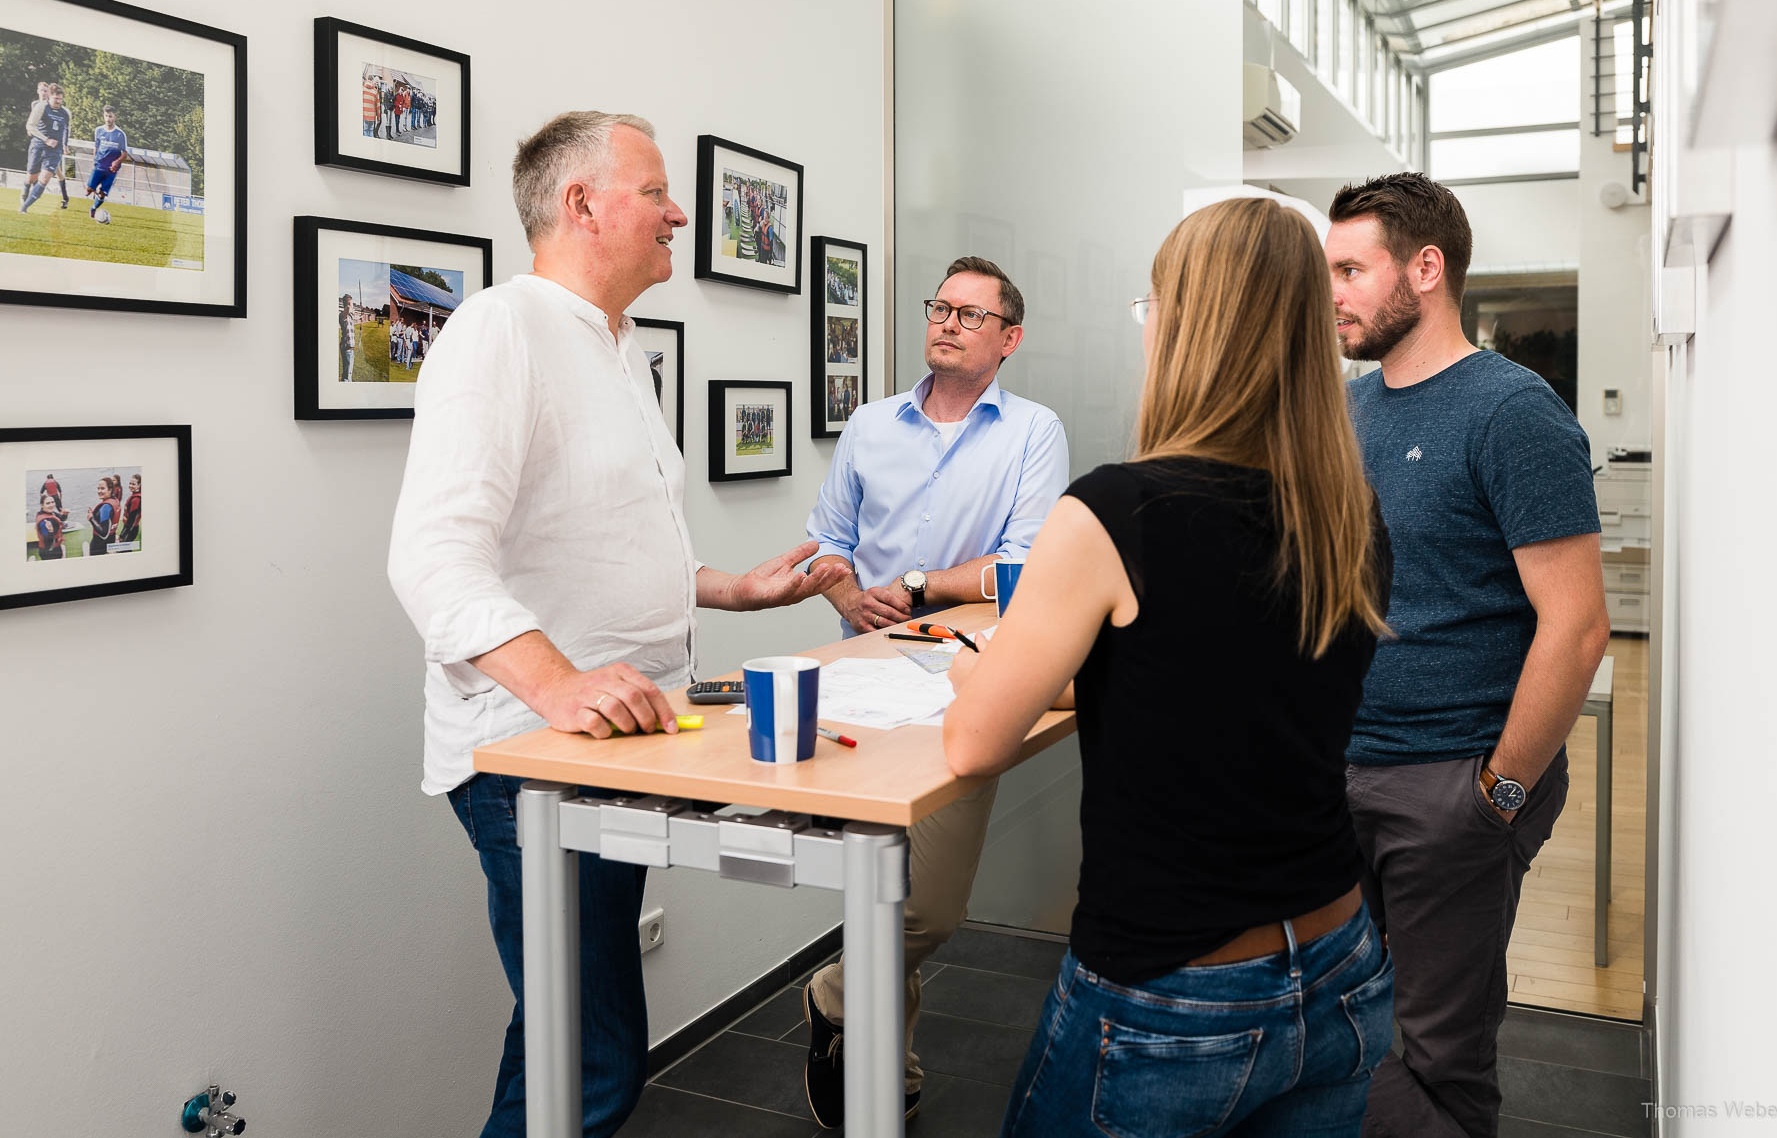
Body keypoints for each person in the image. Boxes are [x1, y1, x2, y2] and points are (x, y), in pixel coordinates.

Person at [388, 110, 849, 1138]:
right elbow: (430, 555)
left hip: (617, 749)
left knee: (565, 1044)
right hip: (529, 757)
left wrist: (731, 590)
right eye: (654, 191)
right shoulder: (500, 330)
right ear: (581, 203)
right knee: (591, 1062)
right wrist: (561, 683)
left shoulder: (620, 348)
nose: (677, 210)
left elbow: (603, 543)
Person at [942, 197, 1396, 1136]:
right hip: (1340, 963)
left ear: (1188, 329)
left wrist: (979, 672)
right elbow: (1216, 673)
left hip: (1175, 992)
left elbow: (975, 741)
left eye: (1150, 309)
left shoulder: (1116, 510)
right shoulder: (1349, 516)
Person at [1325, 173, 1609, 1138]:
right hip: (1345, 772)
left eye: (1352, 269)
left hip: (1452, 781)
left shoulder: (1512, 410)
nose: (1334, 292)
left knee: (1442, 1056)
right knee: (1340, 1030)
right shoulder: (1355, 409)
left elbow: (1576, 627)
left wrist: (1498, 794)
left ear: (1426, 268)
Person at [798, 255, 1068, 1126]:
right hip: (857, 679)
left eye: (971, 314)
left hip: (961, 679)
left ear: (1008, 339)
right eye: (940, 307)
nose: (947, 322)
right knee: (875, 873)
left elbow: (1027, 564)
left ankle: (835, 994)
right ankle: (889, 1061)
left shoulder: (1033, 430)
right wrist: (845, 590)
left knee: (930, 900)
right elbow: (826, 539)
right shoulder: (872, 424)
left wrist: (915, 584)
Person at [19, 83, 71, 215]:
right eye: (56, 99)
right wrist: (46, 139)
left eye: (60, 99)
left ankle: (24, 208)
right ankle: (25, 192)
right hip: (38, 146)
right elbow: (30, 126)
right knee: (31, 178)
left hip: (55, 151)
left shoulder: (66, 112)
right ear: (49, 96)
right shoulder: (41, 107)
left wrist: (64, 144)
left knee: (44, 179)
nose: (58, 101)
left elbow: (66, 129)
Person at [87, 106, 129, 220]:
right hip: (99, 166)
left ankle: (94, 208)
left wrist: (117, 161)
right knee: (88, 190)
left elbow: (125, 153)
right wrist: (94, 160)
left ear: (115, 117)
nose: (108, 119)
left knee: (102, 194)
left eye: (110, 116)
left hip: (111, 169)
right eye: (106, 116)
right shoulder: (98, 130)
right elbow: (96, 147)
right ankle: (93, 191)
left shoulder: (120, 134)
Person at [86, 478, 118, 557]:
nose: (99, 491)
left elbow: (104, 533)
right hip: (111, 539)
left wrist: (91, 518)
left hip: (99, 544)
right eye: (98, 488)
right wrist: (95, 514)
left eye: (102, 488)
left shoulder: (105, 507)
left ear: (110, 489)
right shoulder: (115, 500)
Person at [34, 493, 65, 561]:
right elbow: (48, 544)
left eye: (53, 502)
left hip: (56, 546)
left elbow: (61, 519)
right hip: (49, 553)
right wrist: (51, 531)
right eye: (48, 503)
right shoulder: (44, 523)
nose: (51, 505)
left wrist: (65, 514)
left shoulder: (50, 513)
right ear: (42, 505)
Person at [117, 474, 142, 547]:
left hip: (131, 530)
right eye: (130, 483)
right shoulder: (134, 496)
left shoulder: (136, 500)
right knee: (125, 549)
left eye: (133, 484)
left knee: (123, 549)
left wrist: (122, 535)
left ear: (139, 485)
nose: (130, 486)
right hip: (131, 528)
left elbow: (131, 521)